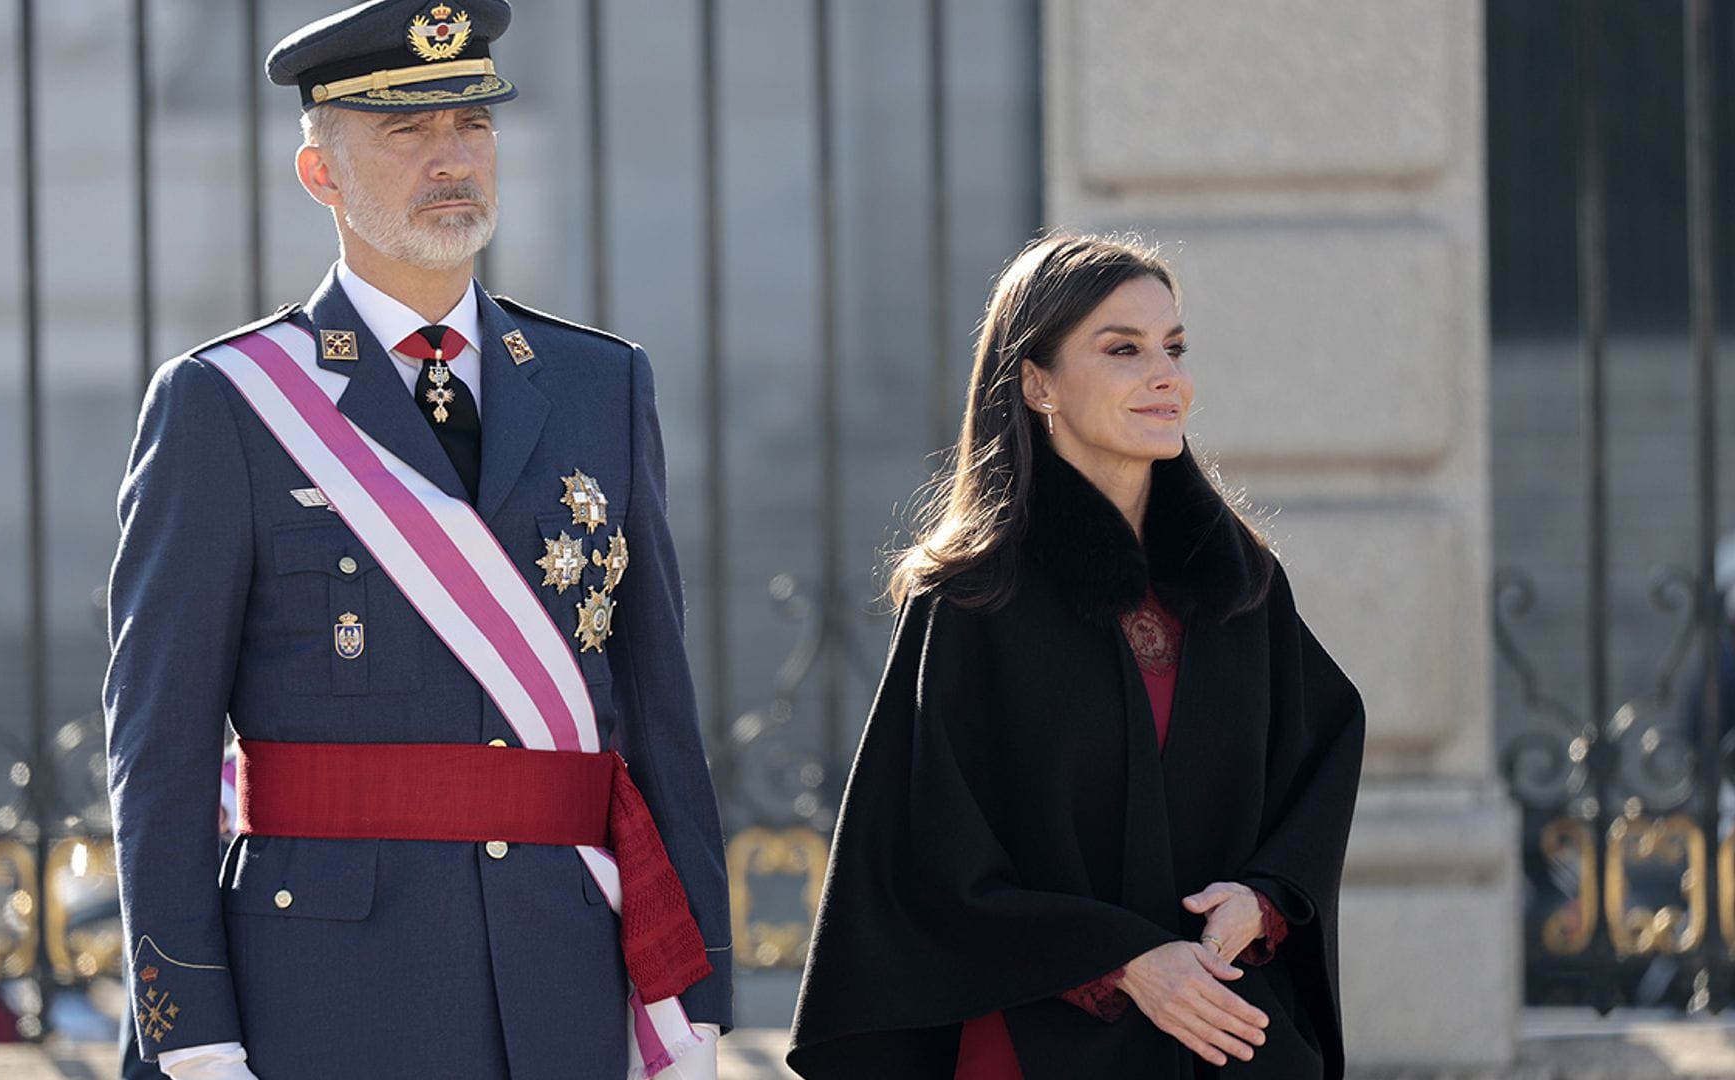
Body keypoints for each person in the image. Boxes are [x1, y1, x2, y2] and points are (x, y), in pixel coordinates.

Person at [103, 2, 731, 1077]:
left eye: (472, 127)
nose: (453, 160)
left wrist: (696, 997)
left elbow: (660, 712)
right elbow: (159, 751)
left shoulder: (599, 384)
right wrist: (190, 1034)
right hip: (326, 990)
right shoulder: (229, 403)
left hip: (562, 976)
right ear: (322, 175)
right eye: (407, 133)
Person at [786, 235, 1365, 1079]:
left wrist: (1265, 896)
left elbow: (1323, 752)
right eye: (1123, 349)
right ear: (1037, 383)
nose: (1165, 375)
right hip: (1040, 1043)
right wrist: (1126, 961)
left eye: (1173, 347)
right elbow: (933, 857)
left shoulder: (1238, 583)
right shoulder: (974, 598)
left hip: (1225, 1031)